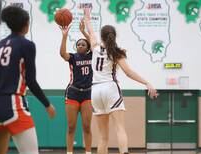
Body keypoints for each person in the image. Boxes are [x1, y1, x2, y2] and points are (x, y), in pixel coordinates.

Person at [0, 6, 56, 154]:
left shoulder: (0, 45)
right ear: (26, 24)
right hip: (13, 105)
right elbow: (30, 80)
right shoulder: (26, 45)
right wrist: (47, 104)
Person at [83, 8, 158, 154]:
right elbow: (129, 73)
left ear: (101, 36)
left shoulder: (95, 47)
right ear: (114, 36)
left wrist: (87, 16)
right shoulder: (116, 52)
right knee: (120, 129)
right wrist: (147, 83)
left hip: (95, 91)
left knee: (103, 137)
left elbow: (90, 29)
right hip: (110, 88)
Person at [59, 20, 92, 154]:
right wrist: (64, 36)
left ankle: (88, 151)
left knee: (86, 126)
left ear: (88, 47)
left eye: (83, 44)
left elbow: (94, 44)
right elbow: (62, 54)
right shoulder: (73, 57)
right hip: (73, 93)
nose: (80, 46)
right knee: (71, 127)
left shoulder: (92, 55)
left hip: (88, 94)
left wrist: (84, 32)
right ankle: (69, 152)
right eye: (78, 44)